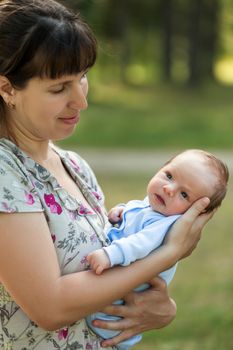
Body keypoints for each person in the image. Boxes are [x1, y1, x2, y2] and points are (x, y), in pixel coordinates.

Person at [0, 1, 215, 349]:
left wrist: (162, 308)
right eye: (59, 88)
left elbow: (112, 278)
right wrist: (170, 252)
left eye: (82, 77)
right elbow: (50, 307)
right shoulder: (4, 172)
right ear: (8, 88)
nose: (81, 101)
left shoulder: (73, 165)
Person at [86, 149, 228, 349]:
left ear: (193, 213)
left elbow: (140, 243)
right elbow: (135, 210)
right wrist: (120, 210)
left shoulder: (166, 225)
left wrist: (110, 255)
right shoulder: (152, 206)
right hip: (108, 292)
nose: (169, 189)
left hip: (112, 316)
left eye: (184, 194)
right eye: (169, 176)